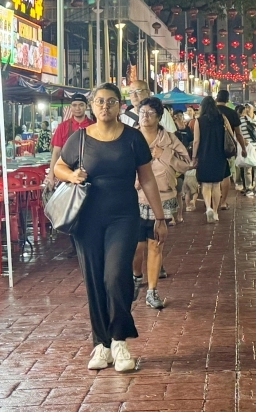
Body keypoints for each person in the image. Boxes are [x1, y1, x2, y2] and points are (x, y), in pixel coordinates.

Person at [53, 83, 167, 372]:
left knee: (116, 276)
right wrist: (73, 175)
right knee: (94, 281)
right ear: (92, 106)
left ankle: (119, 340)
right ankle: (101, 344)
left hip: (123, 216)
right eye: (100, 101)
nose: (105, 106)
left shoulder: (133, 138)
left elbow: (148, 178)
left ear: (120, 106)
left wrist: (159, 217)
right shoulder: (79, 138)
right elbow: (58, 167)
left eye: (111, 101)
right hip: (87, 218)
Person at [132, 97, 191, 310]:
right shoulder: (130, 137)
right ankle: (136, 277)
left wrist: (164, 154)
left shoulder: (169, 139)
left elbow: (187, 164)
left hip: (163, 198)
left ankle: (152, 291)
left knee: (156, 245)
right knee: (137, 247)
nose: (145, 116)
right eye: (142, 113)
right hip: (134, 199)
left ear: (159, 117)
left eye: (150, 113)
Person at [193, 96, 229, 222]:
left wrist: (193, 157)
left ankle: (208, 207)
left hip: (204, 155)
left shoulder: (199, 121)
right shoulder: (222, 119)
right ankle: (215, 212)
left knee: (206, 185)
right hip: (220, 155)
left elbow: (196, 141)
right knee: (216, 185)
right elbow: (230, 134)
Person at [47, 93, 94, 185]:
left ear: (86, 107)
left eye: (81, 105)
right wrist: (51, 174)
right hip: (66, 173)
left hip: (90, 174)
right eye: (74, 105)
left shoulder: (94, 126)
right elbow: (56, 152)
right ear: (70, 107)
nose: (77, 108)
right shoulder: (62, 127)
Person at [216, 89, 247, 210]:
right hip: (227, 148)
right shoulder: (232, 113)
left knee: (213, 177)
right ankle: (223, 202)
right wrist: (243, 148)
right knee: (226, 175)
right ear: (227, 100)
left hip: (210, 147)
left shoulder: (209, 112)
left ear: (217, 98)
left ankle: (213, 200)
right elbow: (238, 134)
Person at [240, 104, 256, 197]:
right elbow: (239, 134)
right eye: (246, 107)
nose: (247, 109)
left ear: (253, 108)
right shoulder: (241, 120)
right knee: (248, 168)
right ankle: (248, 188)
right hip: (248, 148)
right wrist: (243, 141)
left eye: (249, 107)